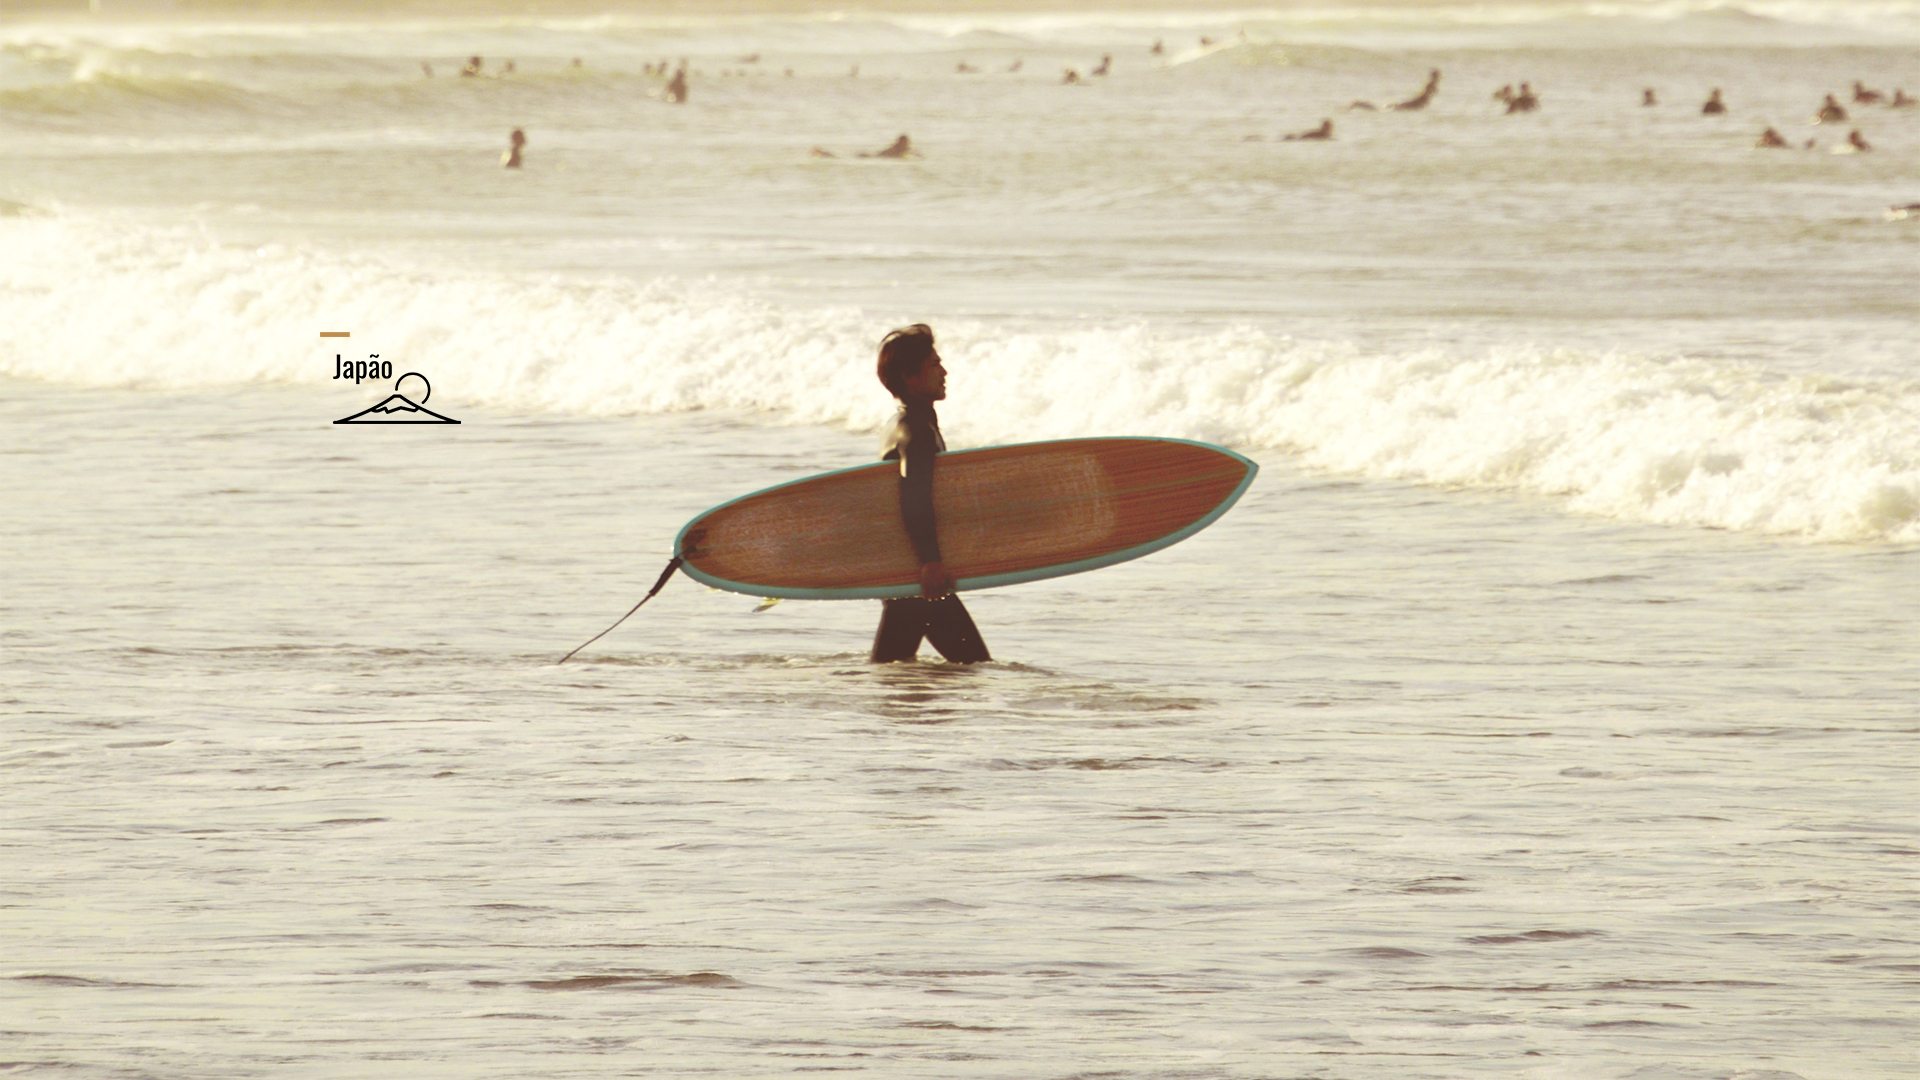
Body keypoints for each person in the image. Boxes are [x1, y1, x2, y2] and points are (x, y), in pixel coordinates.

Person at [870, 325, 991, 664]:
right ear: (910, 377)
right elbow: (914, 493)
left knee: (892, 670)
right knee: (974, 667)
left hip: (904, 571)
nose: (944, 371)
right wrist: (930, 562)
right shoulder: (916, 430)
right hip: (916, 573)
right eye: (934, 364)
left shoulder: (903, 423)